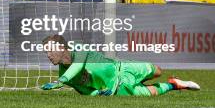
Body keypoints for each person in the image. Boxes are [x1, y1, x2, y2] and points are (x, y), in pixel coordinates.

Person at [40, 35, 200, 96]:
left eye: (50, 50)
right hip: (117, 89)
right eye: (46, 52)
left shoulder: (78, 47)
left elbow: (79, 65)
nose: (48, 55)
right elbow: (86, 92)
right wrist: (99, 94)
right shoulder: (64, 76)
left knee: (157, 71)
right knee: (151, 93)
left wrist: (60, 81)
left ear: (62, 48)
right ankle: (174, 85)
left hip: (123, 68)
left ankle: (165, 78)